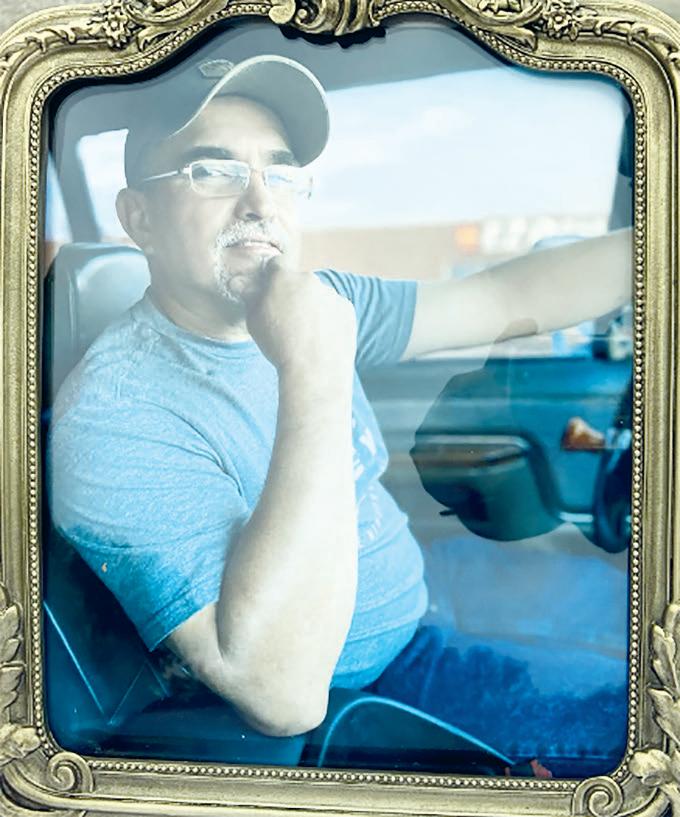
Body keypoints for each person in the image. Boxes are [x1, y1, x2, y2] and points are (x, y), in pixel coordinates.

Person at [47, 54, 631, 766]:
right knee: (645, 713)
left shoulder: (320, 300)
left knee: (637, 609)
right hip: (373, 687)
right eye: (214, 170)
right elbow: (281, 694)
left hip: (424, 587)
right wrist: (313, 367)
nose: (260, 203)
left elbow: (507, 297)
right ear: (138, 216)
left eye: (280, 174)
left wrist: (657, 249)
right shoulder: (111, 420)